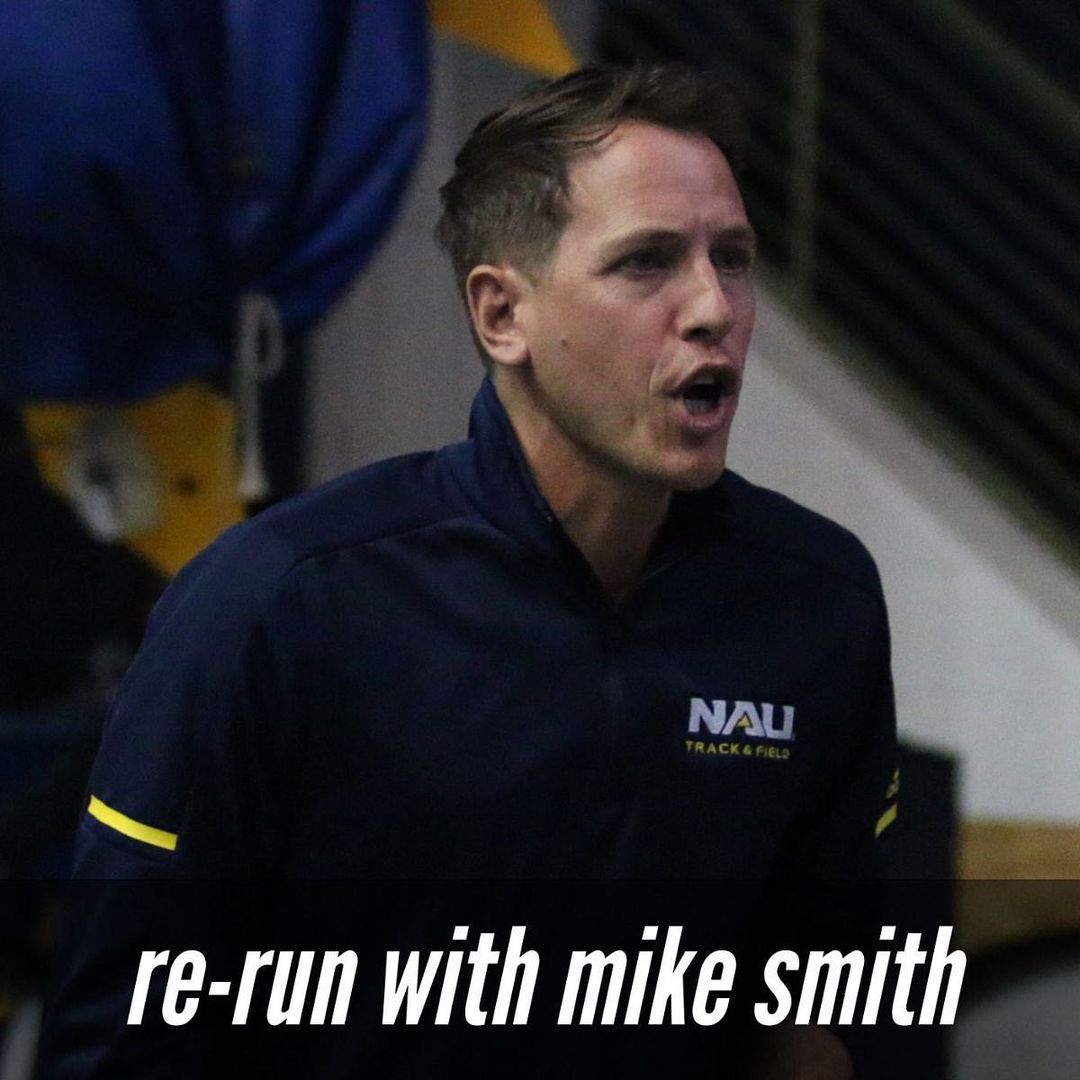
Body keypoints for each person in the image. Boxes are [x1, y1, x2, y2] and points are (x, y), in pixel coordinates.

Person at [40, 65, 897, 1077]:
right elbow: (120, 1034)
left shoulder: (815, 599)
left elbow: (811, 1008)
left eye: (734, 259)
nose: (714, 306)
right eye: (647, 262)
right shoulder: (281, 600)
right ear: (501, 315)